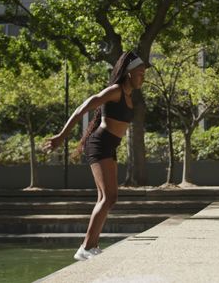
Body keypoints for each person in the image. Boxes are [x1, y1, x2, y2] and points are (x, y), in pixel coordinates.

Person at [42, 51, 146, 261]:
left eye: (144, 73)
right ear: (128, 74)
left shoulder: (127, 96)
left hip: (109, 146)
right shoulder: (115, 90)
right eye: (139, 73)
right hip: (100, 144)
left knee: (106, 197)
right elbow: (83, 107)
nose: (142, 77)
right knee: (109, 196)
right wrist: (62, 135)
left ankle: (92, 246)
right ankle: (86, 247)